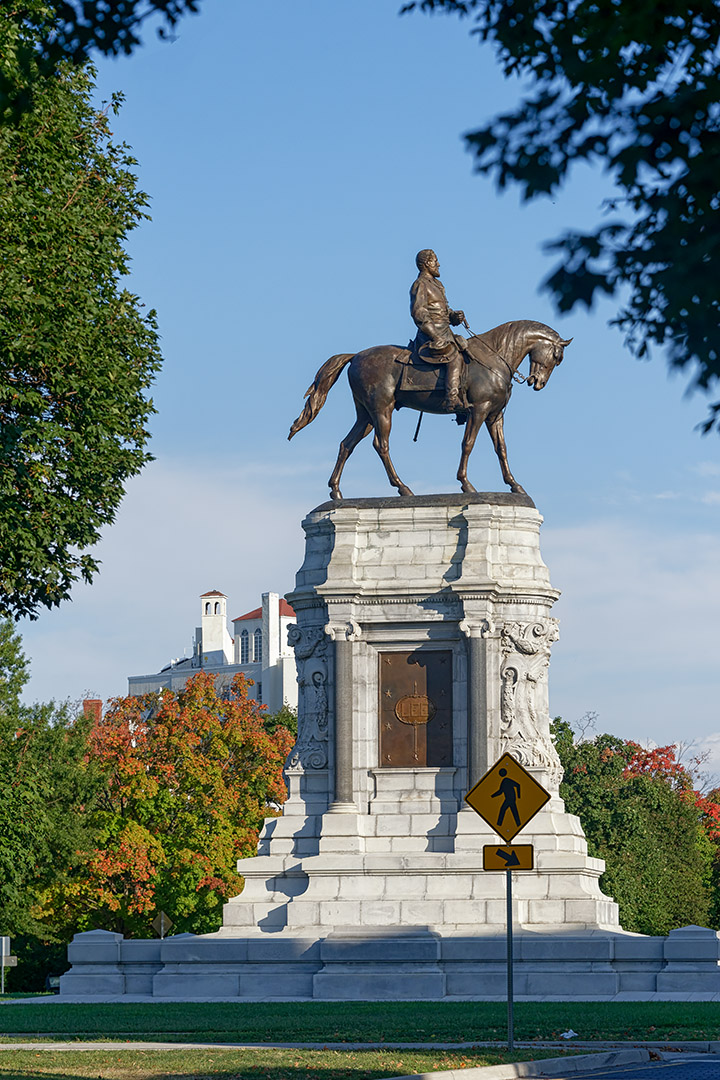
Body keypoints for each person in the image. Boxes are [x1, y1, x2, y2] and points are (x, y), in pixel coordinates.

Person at [410, 248, 469, 414]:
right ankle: (452, 399)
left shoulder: (437, 285)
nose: (438, 264)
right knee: (454, 358)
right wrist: (434, 336)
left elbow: (443, 311)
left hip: (445, 332)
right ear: (427, 264)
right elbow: (419, 312)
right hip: (430, 335)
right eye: (435, 261)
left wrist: (455, 316)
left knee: (468, 352)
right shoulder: (420, 284)